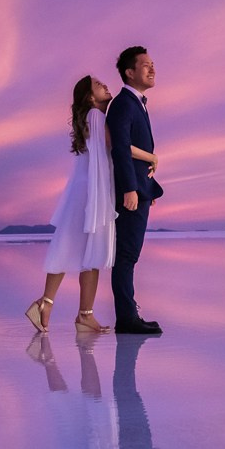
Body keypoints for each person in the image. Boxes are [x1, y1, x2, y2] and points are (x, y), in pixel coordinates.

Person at [25, 75, 157, 333]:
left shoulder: (91, 118)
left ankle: (77, 312)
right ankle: (55, 306)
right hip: (91, 192)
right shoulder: (96, 117)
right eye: (98, 85)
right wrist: (150, 155)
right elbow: (117, 145)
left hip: (87, 189)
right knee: (83, 248)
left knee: (83, 249)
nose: (105, 86)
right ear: (90, 97)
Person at [106, 46, 164, 334]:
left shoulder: (138, 103)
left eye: (152, 64)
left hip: (141, 189)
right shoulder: (124, 103)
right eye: (145, 65)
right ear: (130, 72)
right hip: (130, 192)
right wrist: (130, 188)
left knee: (130, 255)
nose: (152, 69)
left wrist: (147, 185)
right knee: (127, 255)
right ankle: (126, 318)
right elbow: (120, 147)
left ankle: (129, 314)